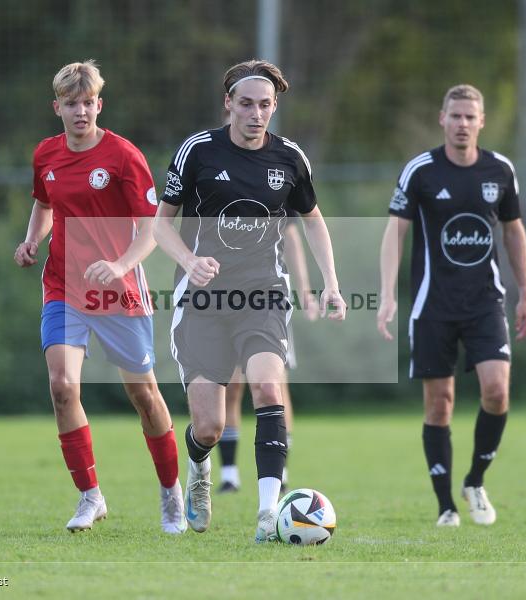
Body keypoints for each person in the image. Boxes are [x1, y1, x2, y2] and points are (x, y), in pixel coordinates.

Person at [154, 59, 346, 542]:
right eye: (246, 104)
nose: (255, 114)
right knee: (210, 425)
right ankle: (198, 468)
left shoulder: (290, 158)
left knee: (266, 388)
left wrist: (332, 283)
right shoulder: (198, 151)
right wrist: (189, 260)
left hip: (263, 294)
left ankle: (266, 515)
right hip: (201, 300)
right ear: (228, 103)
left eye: (264, 105)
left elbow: (313, 220)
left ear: (274, 106)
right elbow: (160, 223)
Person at [14, 61, 185, 534]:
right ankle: (90, 496)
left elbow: (152, 228)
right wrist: (32, 240)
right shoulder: (46, 155)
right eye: (72, 104)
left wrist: (120, 265)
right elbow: (44, 203)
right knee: (63, 386)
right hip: (63, 287)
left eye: (88, 102)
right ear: (58, 108)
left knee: (144, 396)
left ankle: (171, 493)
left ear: (99, 104)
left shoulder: (123, 156)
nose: (81, 111)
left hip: (119, 291)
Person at [377, 84, 526, 527]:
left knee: (497, 391)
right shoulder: (421, 171)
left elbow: (513, 231)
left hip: (486, 301)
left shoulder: (500, 170)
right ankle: (446, 506)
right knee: (440, 404)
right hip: (434, 305)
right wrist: (387, 294)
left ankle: (475, 480)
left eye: (470, 117)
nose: (462, 124)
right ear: (441, 119)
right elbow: (396, 233)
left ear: (481, 122)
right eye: (455, 116)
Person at [217, 215, 320, 493]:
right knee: (231, 386)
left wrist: (305, 291)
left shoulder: (276, 176)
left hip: (268, 300)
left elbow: (293, 238)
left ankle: (280, 470)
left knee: (275, 386)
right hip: (225, 300)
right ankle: (229, 474)